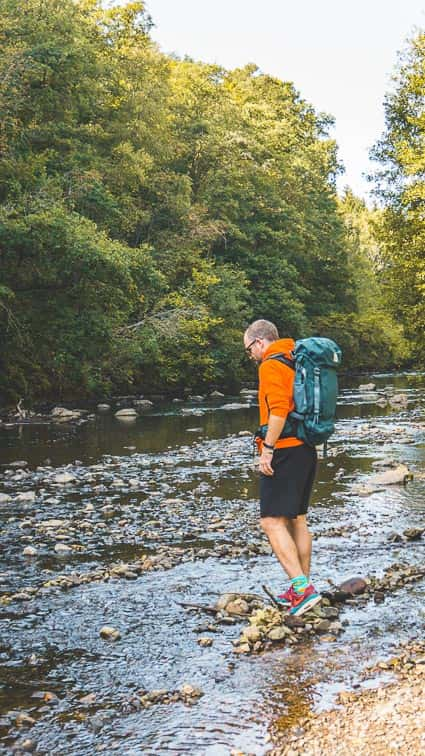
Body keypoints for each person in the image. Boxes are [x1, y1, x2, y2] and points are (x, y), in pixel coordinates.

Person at [243, 319, 321, 616]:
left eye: (249, 349)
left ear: (260, 342)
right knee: (297, 519)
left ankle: (302, 589)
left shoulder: (271, 364)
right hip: (305, 448)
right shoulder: (295, 358)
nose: (250, 355)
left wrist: (268, 450)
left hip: (285, 450)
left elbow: (278, 411)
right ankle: (303, 588)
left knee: (272, 521)